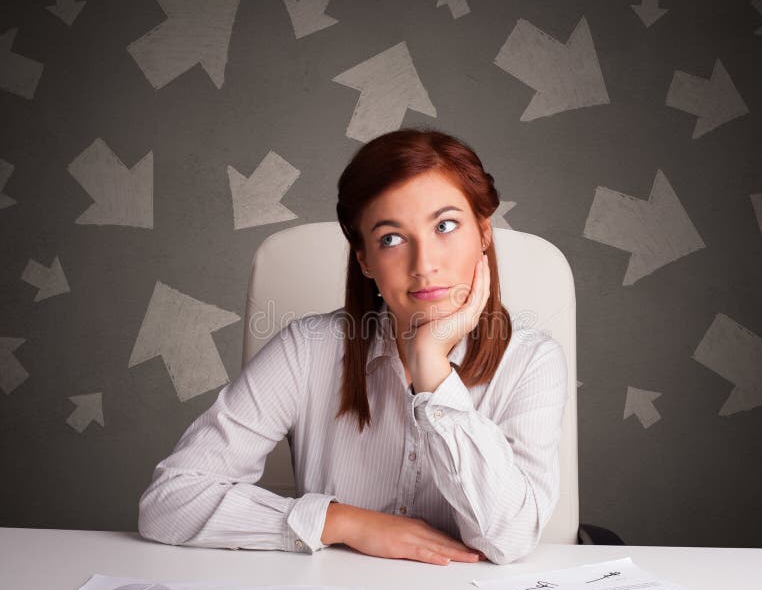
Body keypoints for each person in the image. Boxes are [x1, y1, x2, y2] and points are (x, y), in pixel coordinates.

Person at [138, 127, 568, 565]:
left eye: (445, 226)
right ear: (364, 258)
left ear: (483, 233)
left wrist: (431, 368)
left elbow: (509, 539)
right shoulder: (306, 350)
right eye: (391, 238)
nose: (424, 265)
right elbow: (169, 504)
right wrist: (347, 523)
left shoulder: (532, 361)